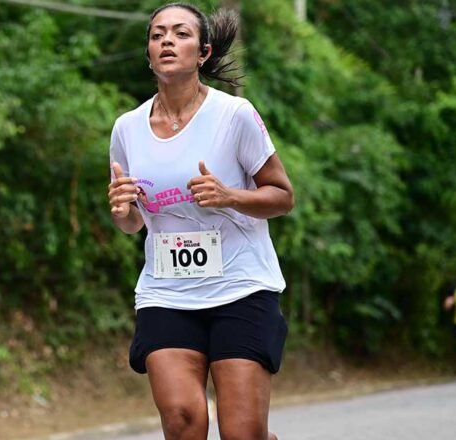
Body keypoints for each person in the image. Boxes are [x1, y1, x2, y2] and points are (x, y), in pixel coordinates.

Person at [107, 3, 293, 439]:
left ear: (204, 52)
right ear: (148, 54)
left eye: (180, 33)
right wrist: (123, 211)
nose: (167, 42)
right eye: (157, 35)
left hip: (241, 287)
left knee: (242, 432)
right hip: (167, 291)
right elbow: (133, 223)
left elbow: (283, 196)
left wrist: (230, 196)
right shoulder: (127, 128)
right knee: (182, 421)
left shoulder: (234, 115)